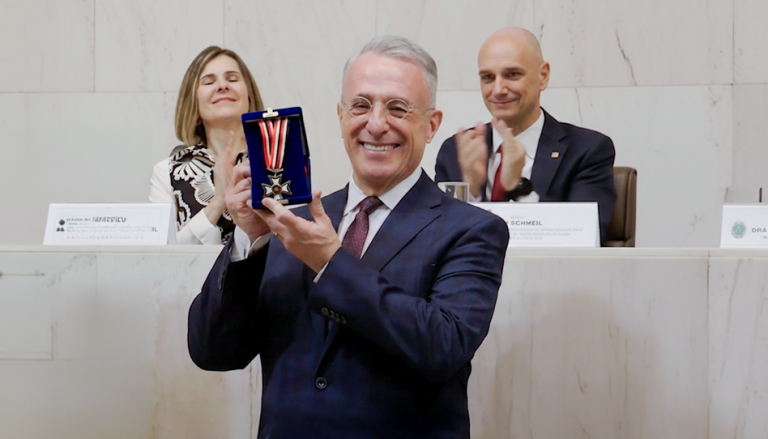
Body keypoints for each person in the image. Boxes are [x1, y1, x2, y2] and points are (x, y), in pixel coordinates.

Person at [187, 36, 509, 438]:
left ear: (432, 125)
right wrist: (247, 243)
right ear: (340, 116)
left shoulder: (471, 230)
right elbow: (212, 352)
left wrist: (329, 262)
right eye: (360, 105)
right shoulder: (291, 222)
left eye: (398, 108)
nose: (376, 124)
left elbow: (442, 347)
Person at [435, 27, 616, 240]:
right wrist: (470, 193)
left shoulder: (587, 149)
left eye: (512, 74)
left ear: (543, 76)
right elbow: (437, 240)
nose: (498, 89)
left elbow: (586, 236)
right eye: (488, 78)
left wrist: (517, 188)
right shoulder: (456, 150)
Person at [149, 46, 265, 244]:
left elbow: (293, 247)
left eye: (232, 79)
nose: (222, 86)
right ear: (193, 102)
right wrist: (218, 201)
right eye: (209, 82)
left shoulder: (277, 162)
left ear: (249, 96)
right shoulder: (166, 172)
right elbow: (163, 258)